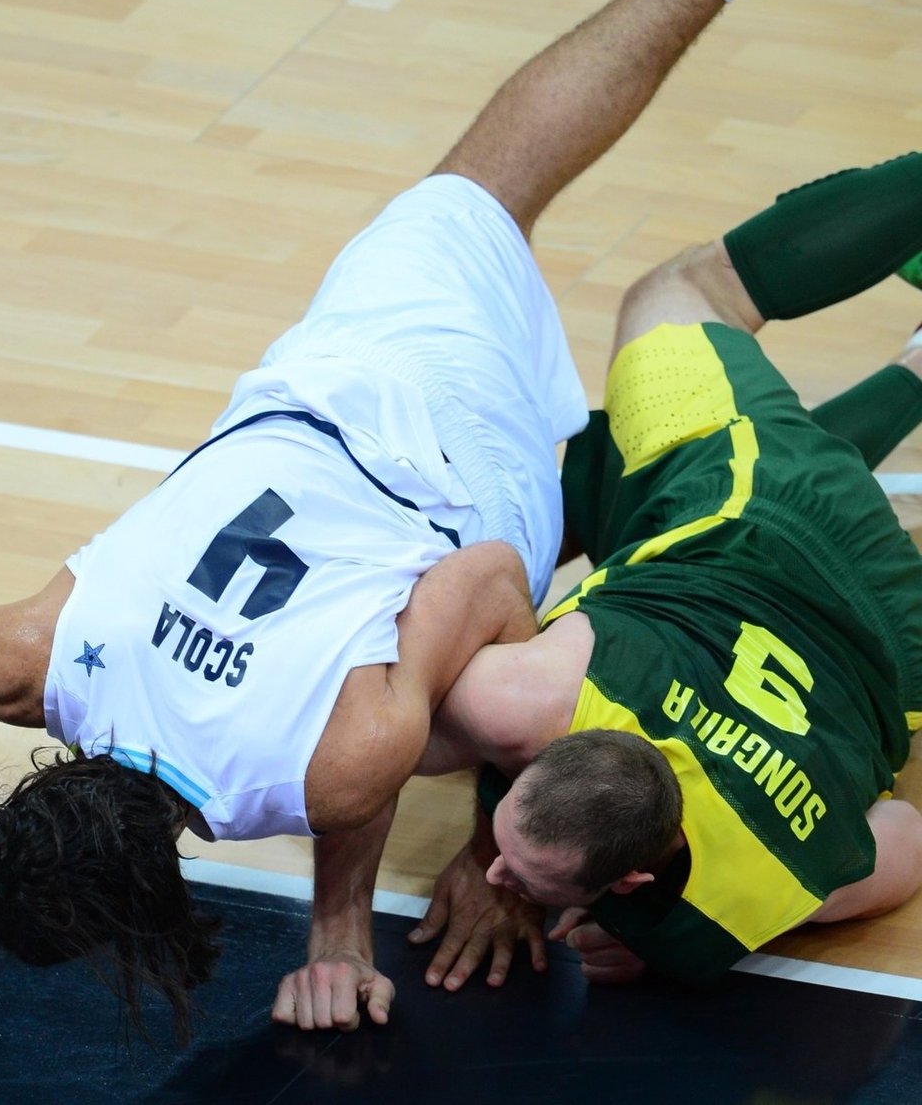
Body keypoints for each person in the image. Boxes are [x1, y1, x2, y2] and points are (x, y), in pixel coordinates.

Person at [0, 0, 896, 1069]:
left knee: (614, 510)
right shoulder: (37, 651)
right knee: (491, 187)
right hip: (352, 400)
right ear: (41, 753)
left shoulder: (328, 762)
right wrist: (344, 921)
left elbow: (480, 593)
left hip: (467, 491)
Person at [272, 170, 922, 1025]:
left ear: (630, 882)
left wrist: (744, 929)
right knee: (682, 299)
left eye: (510, 871)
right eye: (508, 861)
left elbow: (903, 836)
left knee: (614, 436)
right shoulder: (529, 696)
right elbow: (483, 582)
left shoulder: (760, 883)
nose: (497, 877)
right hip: (758, 505)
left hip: (893, 631)